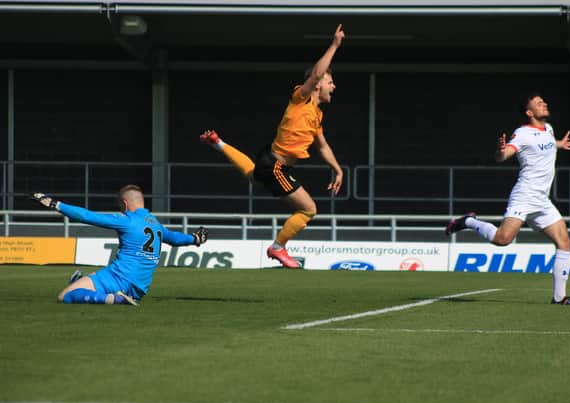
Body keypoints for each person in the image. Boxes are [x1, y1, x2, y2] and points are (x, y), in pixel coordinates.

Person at [199, 24, 345, 269]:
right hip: (277, 165)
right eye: (331, 81)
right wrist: (334, 45)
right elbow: (317, 74)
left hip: (271, 160)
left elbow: (323, 146)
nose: (334, 86)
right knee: (308, 210)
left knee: (253, 176)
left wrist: (338, 170)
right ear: (318, 84)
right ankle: (277, 247)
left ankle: (218, 143)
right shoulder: (302, 97)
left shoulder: (317, 115)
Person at [445, 93, 570, 306]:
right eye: (538, 103)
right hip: (525, 195)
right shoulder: (522, 133)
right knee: (502, 239)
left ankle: (559, 298)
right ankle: (468, 221)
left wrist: (558, 144)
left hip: (542, 200)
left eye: (543, 101)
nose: (544, 104)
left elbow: (545, 143)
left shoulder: (549, 129)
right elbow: (504, 155)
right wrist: (500, 151)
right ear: (529, 112)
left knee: (564, 242)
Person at [31, 184, 208, 305]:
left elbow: (87, 216)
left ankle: (114, 299)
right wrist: (195, 239)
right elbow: (176, 238)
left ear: (125, 204)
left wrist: (56, 204)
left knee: (65, 296)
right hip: (139, 288)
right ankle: (87, 284)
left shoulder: (126, 219)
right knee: (93, 275)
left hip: (118, 279)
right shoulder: (156, 224)